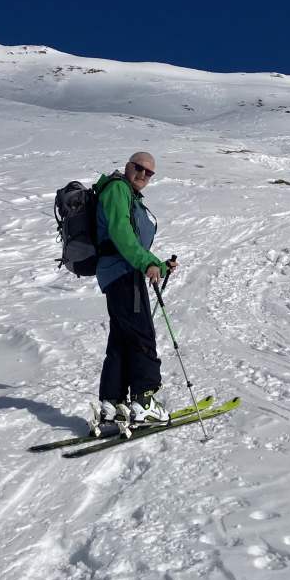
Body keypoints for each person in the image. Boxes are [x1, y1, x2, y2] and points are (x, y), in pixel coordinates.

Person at [92, 152, 178, 427]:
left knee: (122, 338)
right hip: (123, 274)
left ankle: (112, 404)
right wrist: (145, 263)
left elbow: (132, 242)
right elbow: (122, 234)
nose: (143, 174)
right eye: (138, 168)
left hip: (120, 273)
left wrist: (158, 265)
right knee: (142, 336)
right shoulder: (118, 189)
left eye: (149, 172)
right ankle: (144, 402)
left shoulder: (126, 193)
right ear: (127, 166)